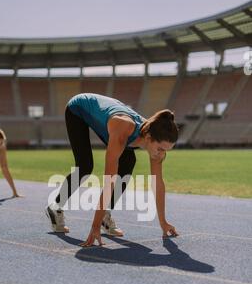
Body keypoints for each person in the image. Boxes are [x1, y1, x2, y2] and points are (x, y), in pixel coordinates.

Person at [45, 93, 179, 246]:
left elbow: (158, 183)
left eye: (166, 150)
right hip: (78, 109)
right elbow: (109, 181)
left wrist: (163, 222)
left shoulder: (152, 133)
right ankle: (54, 207)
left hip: (109, 120)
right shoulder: (123, 128)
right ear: (148, 138)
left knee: (128, 161)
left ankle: (105, 215)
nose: (162, 154)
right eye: (160, 149)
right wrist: (94, 227)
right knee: (85, 166)